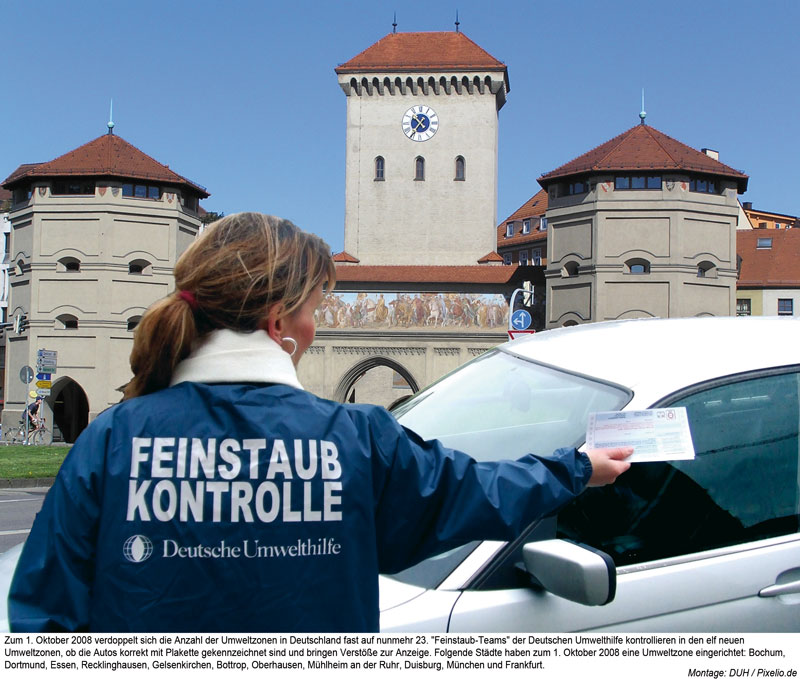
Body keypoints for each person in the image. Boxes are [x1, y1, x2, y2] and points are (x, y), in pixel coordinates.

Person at [8, 212, 632, 633]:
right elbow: (473, 491)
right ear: (278, 322)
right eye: (314, 310)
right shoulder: (355, 439)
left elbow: (42, 615)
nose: (316, 327)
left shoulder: (113, 440)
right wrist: (580, 466)